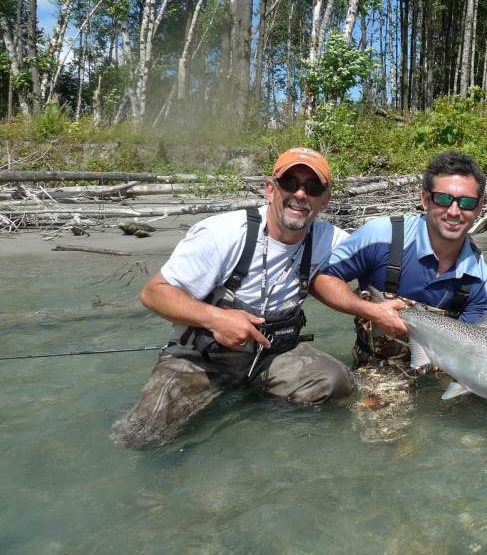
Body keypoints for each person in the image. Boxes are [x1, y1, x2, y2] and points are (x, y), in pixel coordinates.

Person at [112, 147, 353, 448]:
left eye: (313, 187)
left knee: (335, 382)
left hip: (272, 355)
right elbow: (153, 293)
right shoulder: (222, 233)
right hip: (202, 359)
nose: (300, 194)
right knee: (142, 437)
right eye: (290, 183)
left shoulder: (331, 240)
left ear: (325, 200)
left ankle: (259, 422)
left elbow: (382, 253)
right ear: (270, 190)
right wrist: (216, 318)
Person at [311, 151, 487, 424]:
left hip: (446, 359)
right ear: (425, 199)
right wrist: (370, 310)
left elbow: (479, 354)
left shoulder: (479, 279)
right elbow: (321, 281)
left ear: (480, 207)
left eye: (467, 202)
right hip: (382, 364)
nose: (454, 211)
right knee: (386, 438)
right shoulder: (382, 237)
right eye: (443, 199)